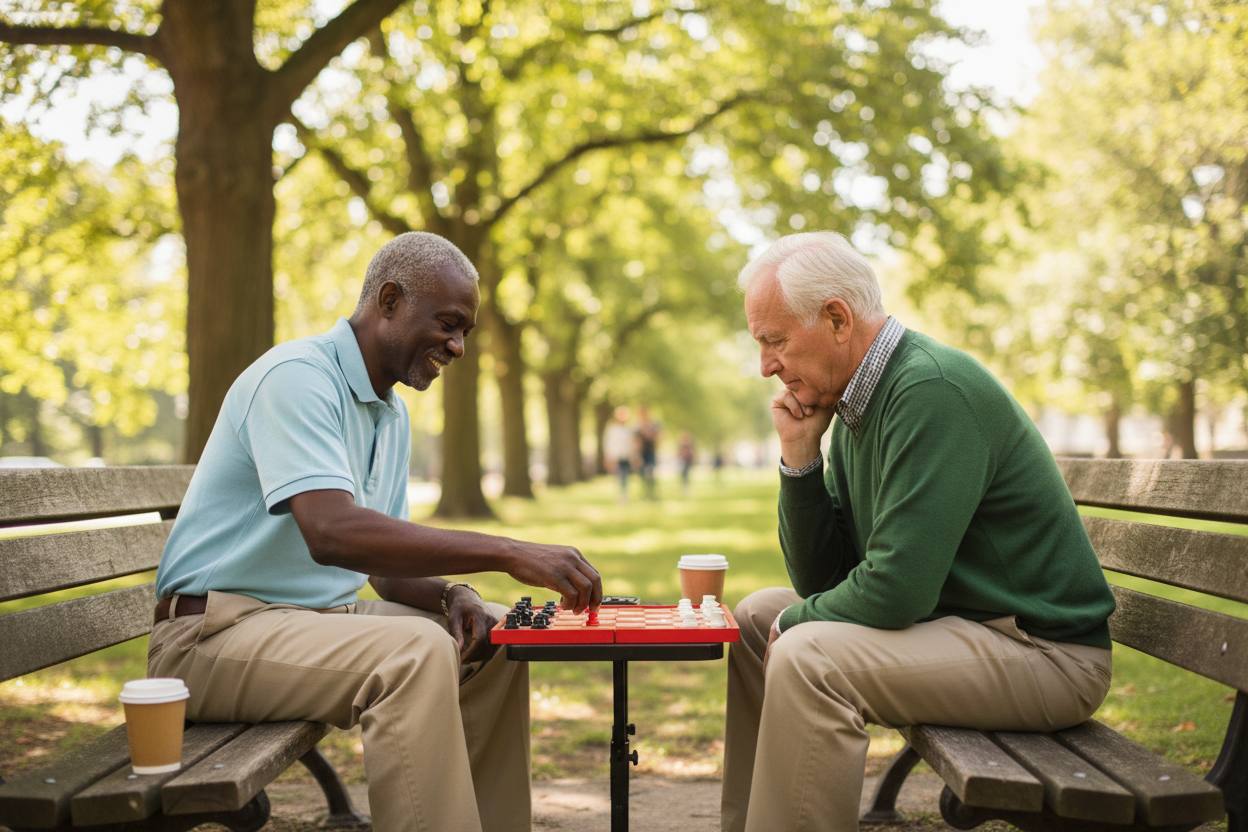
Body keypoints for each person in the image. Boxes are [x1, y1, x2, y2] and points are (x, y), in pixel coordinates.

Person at [148, 232, 603, 832]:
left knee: (495, 636)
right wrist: (506, 551)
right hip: (208, 639)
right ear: (388, 300)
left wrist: (453, 594)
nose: (459, 346)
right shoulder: (297, 378)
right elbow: (332, 533)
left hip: (306, 623)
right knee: (414, 654)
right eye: (449, 323)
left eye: (465, 329)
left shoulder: (389, 410)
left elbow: (384, 570)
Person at [721, 231, 1116, 832]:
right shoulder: (857, 403)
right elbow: (822, 580)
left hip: (1044, 654)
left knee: (805, 652)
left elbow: (896, 591)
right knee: (756, 616)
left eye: (775, 341)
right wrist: (801, 456)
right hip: (960, 629)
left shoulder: (930, 389)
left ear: (836, 318)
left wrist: (797, 623)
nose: (765, 366)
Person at [603, 405, 635, 503]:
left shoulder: (629, 429)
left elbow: (632, 444)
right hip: (615, 456)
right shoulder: (612, 429)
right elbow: (608, 443)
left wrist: (634, 457)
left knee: (625, 476)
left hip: (626, 456)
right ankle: (619, 496)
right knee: (619, 476)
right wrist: (608, 457)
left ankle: (625, 495)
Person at [635, 404, 660, 500]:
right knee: (642, 475)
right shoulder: (636, 425)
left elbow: (658, 437)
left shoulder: (653, 424)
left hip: (651, 452)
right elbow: (635, 440)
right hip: (641, 453)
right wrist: (637, 455)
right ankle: (645, 494)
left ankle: (652, 494)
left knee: (650, 472)